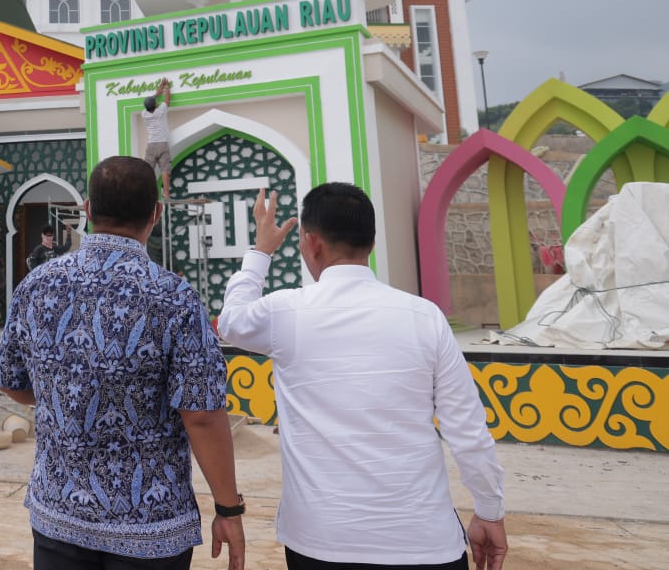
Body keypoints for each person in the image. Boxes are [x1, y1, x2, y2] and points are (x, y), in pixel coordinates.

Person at [216, 183, 508, 570]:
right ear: (370, 244)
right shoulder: (425, 317)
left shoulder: (286, 313)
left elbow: (231, 322)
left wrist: (261, 251)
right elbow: (468, 430)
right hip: (424, 542)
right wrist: (489, 510)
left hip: (321, 542)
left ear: (312, 243)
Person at [0, 156, 245, 570]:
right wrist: (228, 509)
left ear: (88, 209)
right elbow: (201, 415)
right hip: (152, 524)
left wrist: (68, 398)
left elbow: (10, 381)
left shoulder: (36, 285)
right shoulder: (173, 296)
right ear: (156, 214)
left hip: (60, 515)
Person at [140, 78, 172, 201]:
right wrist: (167, 87)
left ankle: (145, 193)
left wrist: (158, 90)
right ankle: (166, 194)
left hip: (151, 145)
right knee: (165, 169)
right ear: (155, 105)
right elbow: (167, 100)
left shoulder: (144, 114)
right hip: (162, 144)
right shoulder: (161, 111)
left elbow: (152, 101)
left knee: (147, 170)